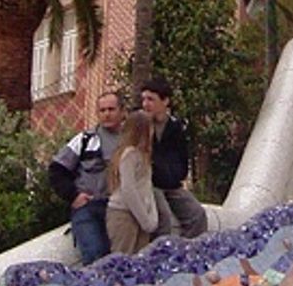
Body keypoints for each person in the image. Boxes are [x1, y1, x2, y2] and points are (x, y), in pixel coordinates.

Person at [47, 90, 125, 264]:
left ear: (122, 111)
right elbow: (56, 170)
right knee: (94, 256)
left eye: (111, 109)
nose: (107, 114)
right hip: (89, 207)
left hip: (120, 208)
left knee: (120, 259)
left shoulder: (130, 140)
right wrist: (73, 196)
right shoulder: (85, 140)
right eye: (102, 110)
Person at [140, 76, 207, 239]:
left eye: (151, 99)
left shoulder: (176, 127)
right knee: (163, 218)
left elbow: (182, 159)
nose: (145, 104)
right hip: (148, 184)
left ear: (165, 101)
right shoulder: (139, 124)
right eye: (144, 99)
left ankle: (186, 253)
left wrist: (173, 176)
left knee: (197, 215)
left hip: (171, 184)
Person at [105, 110, 159, 254]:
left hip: (139, 215)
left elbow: (146, 188)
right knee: (124, 258)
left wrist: (151, 216)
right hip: (123, 214)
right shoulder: (130, 154)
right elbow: (128, 189)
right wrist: (146, 220)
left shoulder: (144, 155)